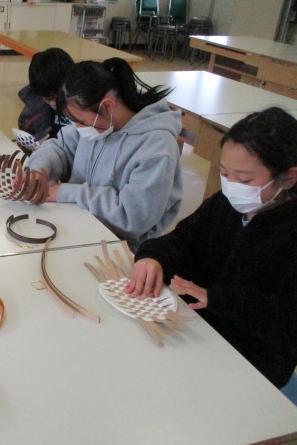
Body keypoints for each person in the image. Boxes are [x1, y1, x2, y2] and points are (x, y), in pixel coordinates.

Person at [126, 107, 297, 398]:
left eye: (245, 180)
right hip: (197, 330)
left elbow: (285, 319)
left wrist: (218, 298)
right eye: (224, 173)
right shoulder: (226, 204)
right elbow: (185, 240)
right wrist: (154, 257)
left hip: (251, 359)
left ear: (289, 178)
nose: (231, 187)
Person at [26, 57, 183, 250]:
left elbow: (133, 217)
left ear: (107, 106)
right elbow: (61, 146)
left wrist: (68, 192)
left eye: (81, 122)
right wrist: (40, 169)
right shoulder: (96, 122)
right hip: (77, 225)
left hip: (118, 247)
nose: (78, 128)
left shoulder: (156, 148)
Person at [17, 48, 74, 141]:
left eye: (56, 97)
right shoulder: (36, 103)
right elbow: (26, 131)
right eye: (47, 98)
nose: (53, 103)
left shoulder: (84, 106)